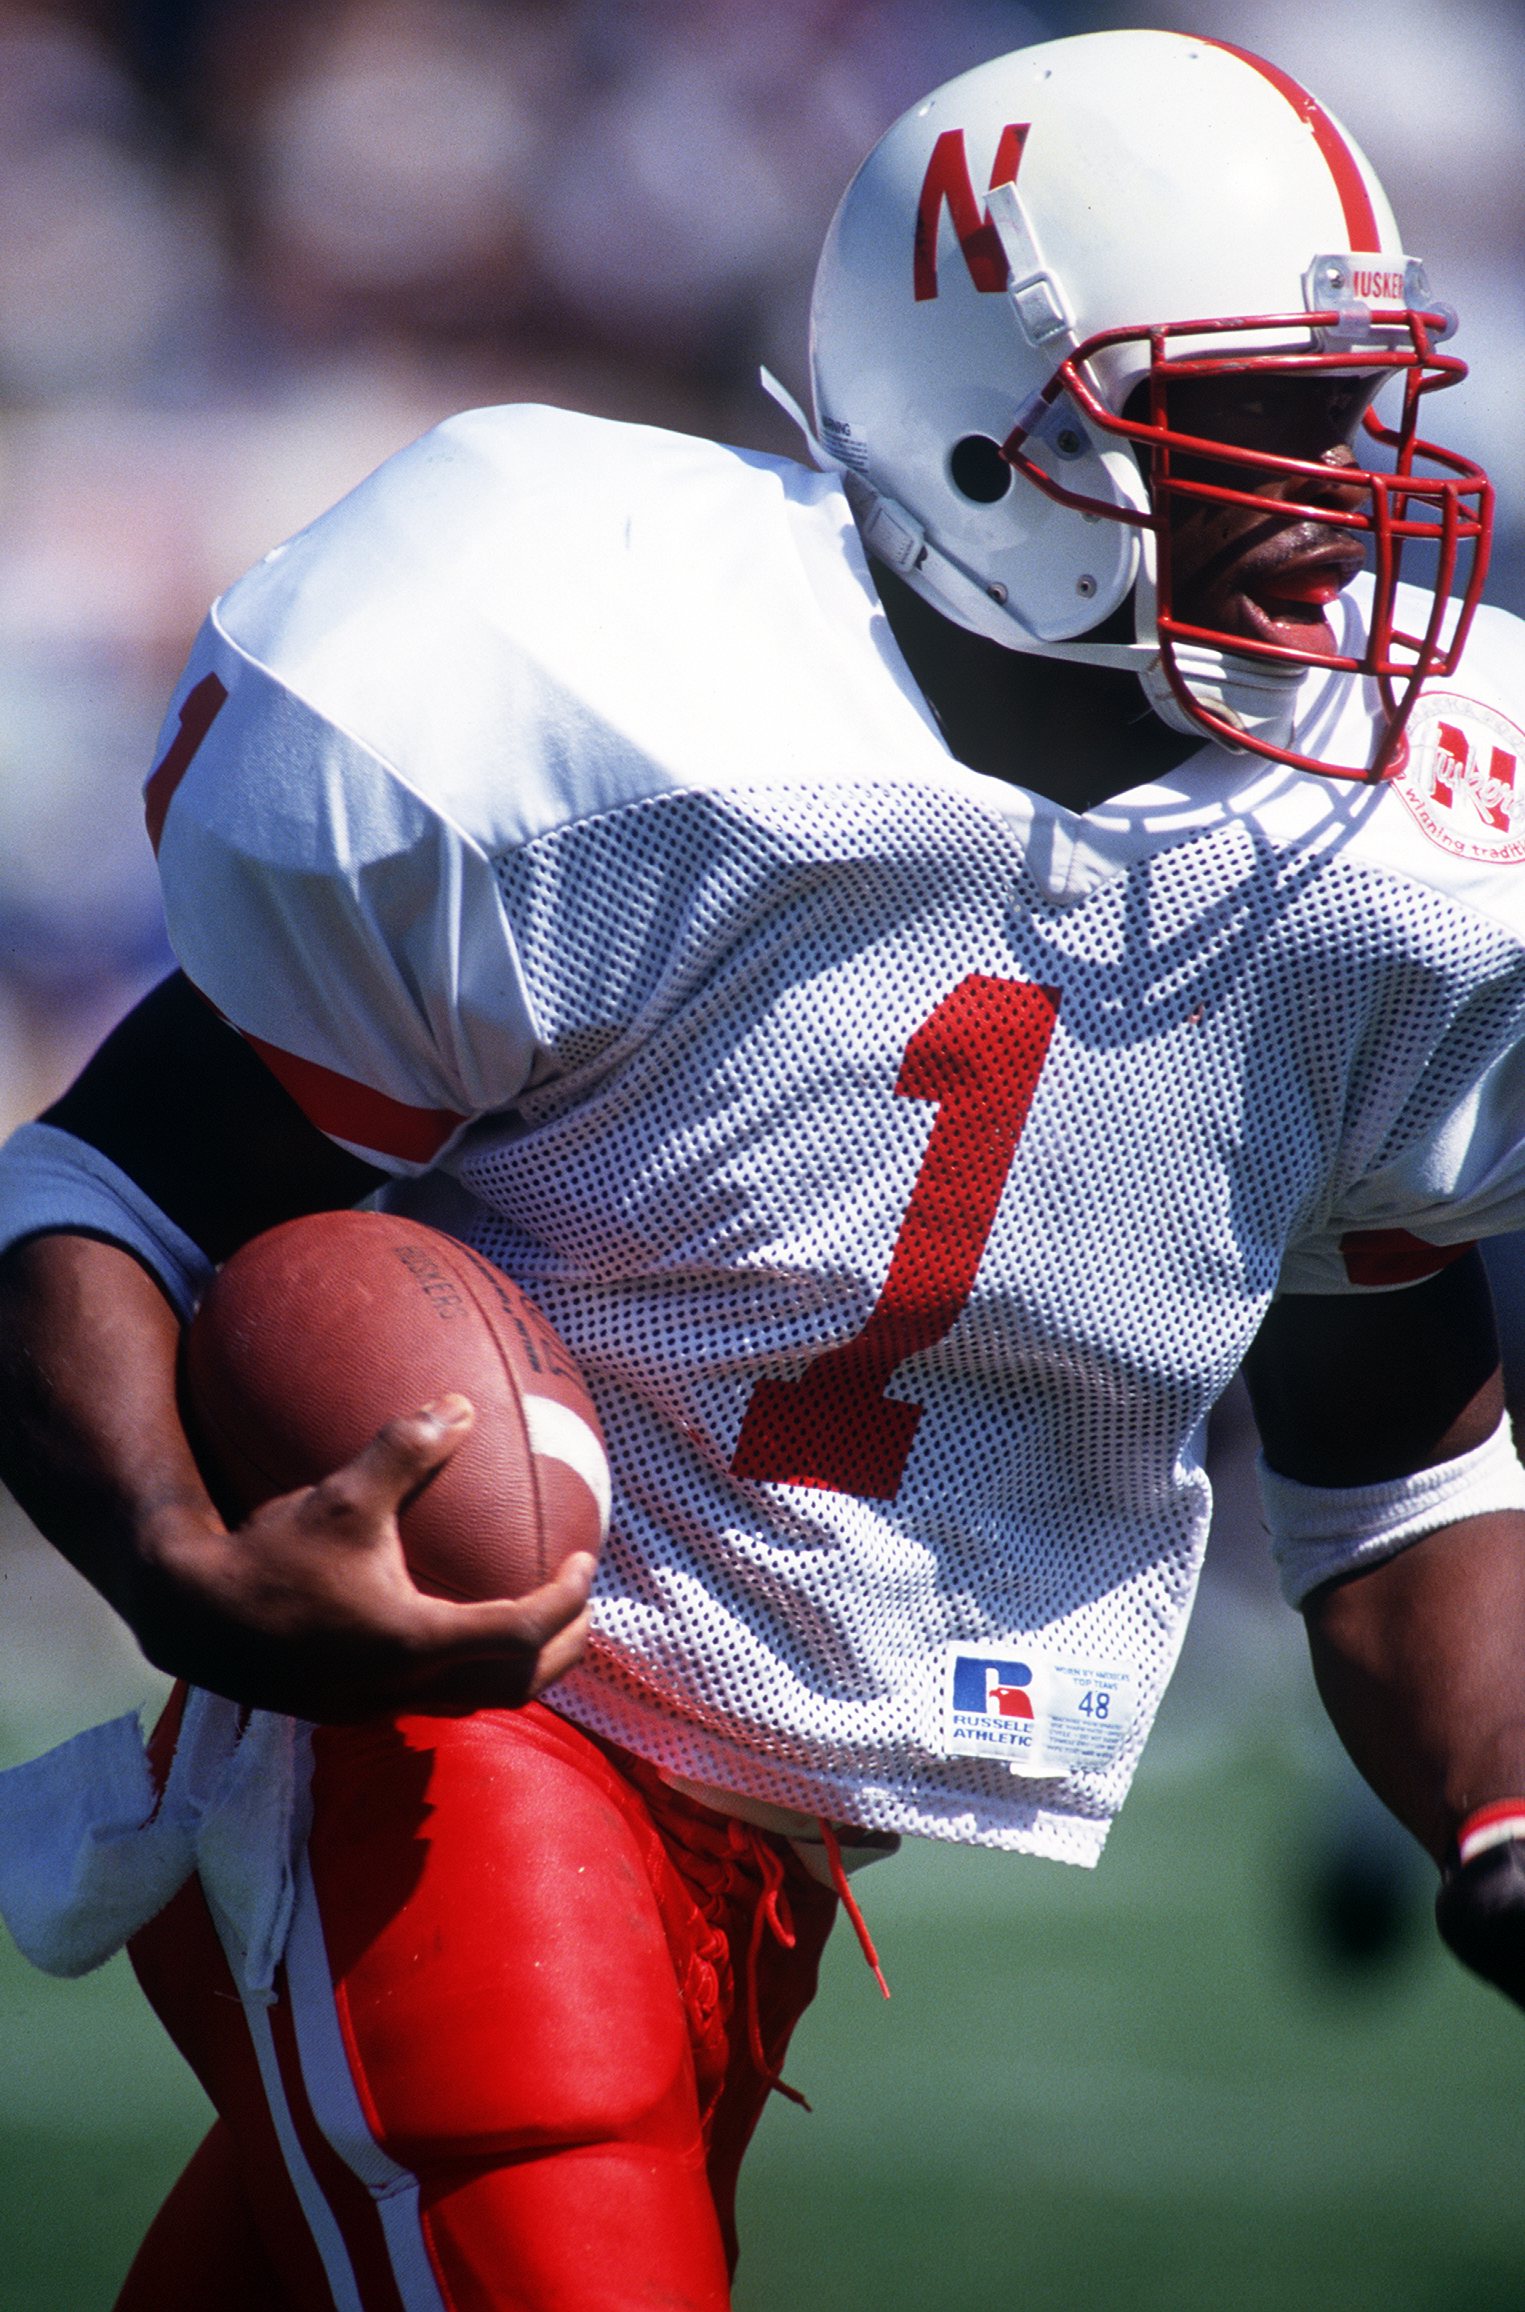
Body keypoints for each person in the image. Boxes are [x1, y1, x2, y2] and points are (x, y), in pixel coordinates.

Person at [3, 27, 1525, 2309]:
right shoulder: (623, 706)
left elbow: (1390, 1453)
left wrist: (1504, 1814)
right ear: (997, 429)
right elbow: (97, 1197)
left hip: (784, 1839)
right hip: (454, 1734)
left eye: (1349, 410)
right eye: (1251, 421)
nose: (1335, 490)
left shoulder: (1388, 867)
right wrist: (176, 1563)